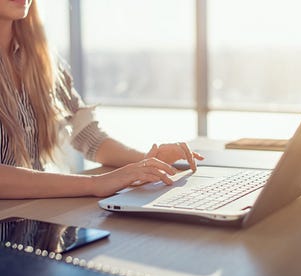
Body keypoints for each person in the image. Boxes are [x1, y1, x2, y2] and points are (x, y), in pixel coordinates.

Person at [0, 0, 203, 199]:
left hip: (36, 218)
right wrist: (96, 183)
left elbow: (86, 134)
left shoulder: (39, 58)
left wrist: (148, 162)